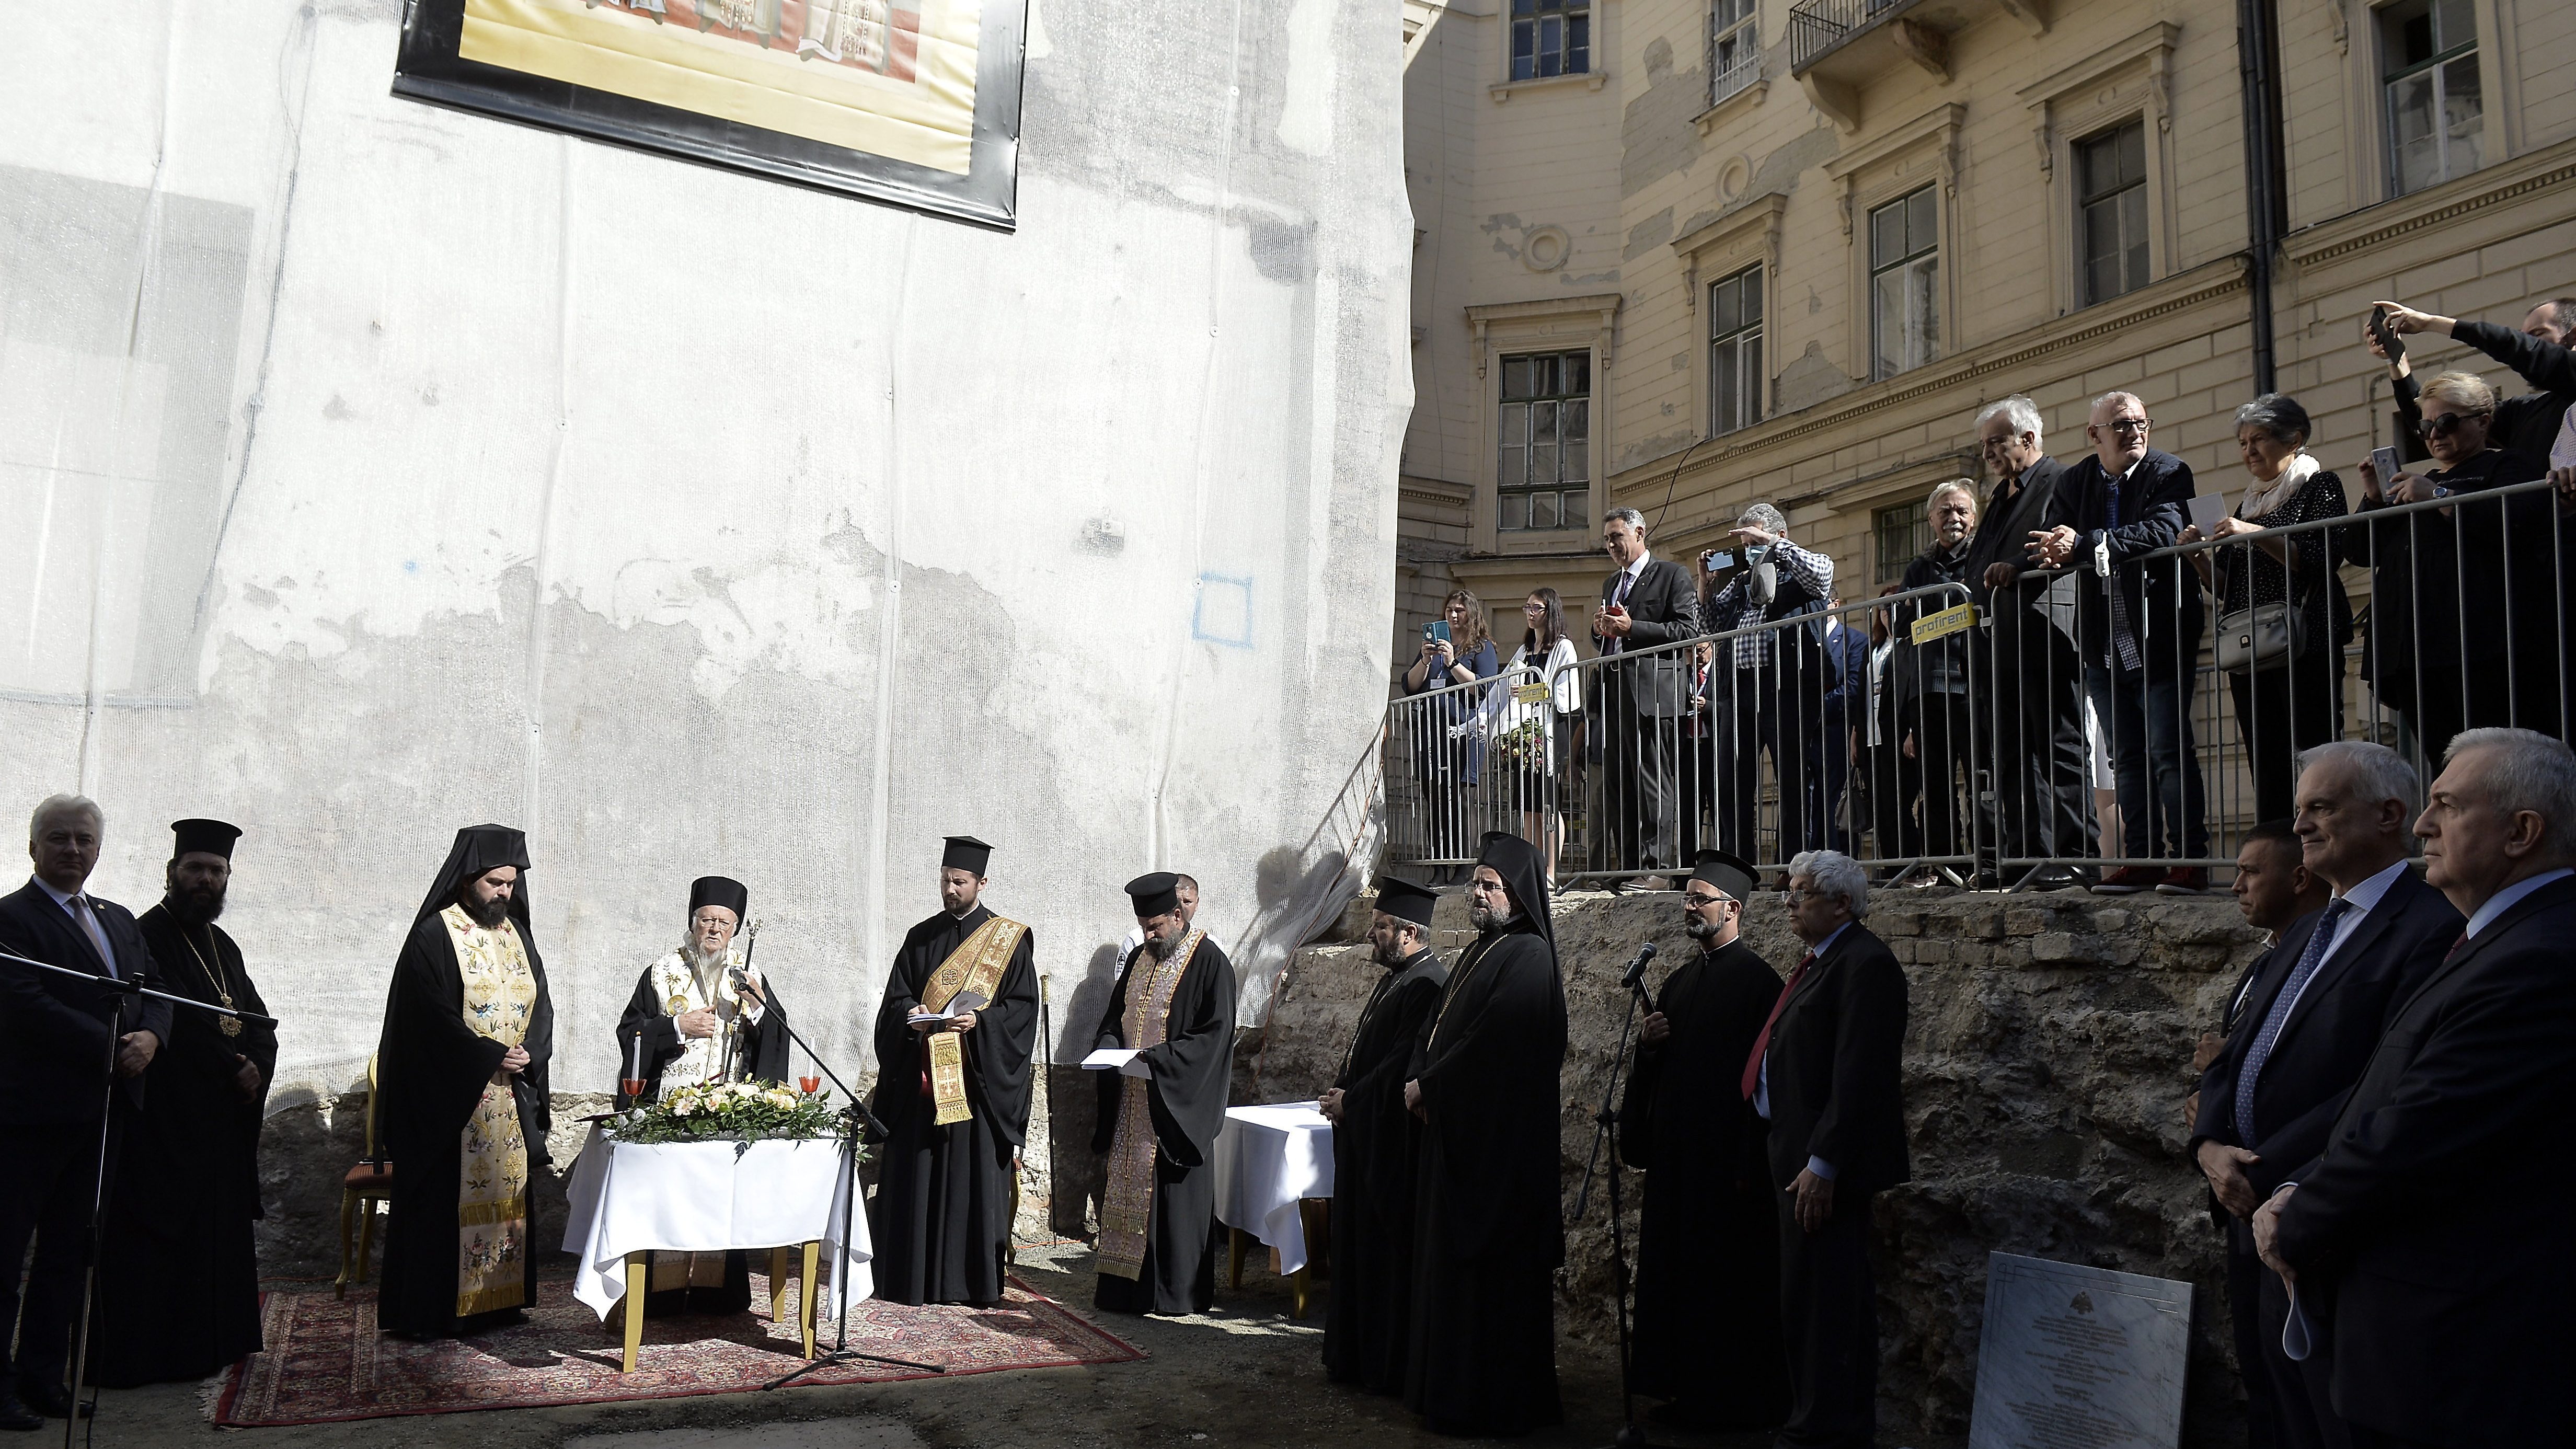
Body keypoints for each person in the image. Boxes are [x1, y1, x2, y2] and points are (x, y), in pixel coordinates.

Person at [2254, 729, 2576, 1449]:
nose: (2425, 826)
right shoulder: (2496, 939)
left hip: (2458, 1359)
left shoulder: (2538, 959)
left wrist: (2293, 1219)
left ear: (2522, 832)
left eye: (2446, 806)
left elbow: (2419, 1132)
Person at [2193, 743, 2458, 1449]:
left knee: (2331, 1420)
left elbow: (2382, 1082)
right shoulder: (2307, 928)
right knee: (2273, 1410)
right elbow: (2235, 1051)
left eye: (2322, 807)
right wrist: (2210, 1146)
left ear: (2388, 816)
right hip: (2247, 1215)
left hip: (2320, 1215)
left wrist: (2262, 1169)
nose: (2303, 825)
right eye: (2302, 807)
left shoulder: (2430, 929)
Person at [0, 797, 171, 1425]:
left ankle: (44, 1378)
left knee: (69, 1256)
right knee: (6, 1257)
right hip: (29, 1117)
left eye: (83, 839)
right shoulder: (9, 919)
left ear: (98, 848)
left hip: (103, 1116)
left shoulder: (118, 918)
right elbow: (23, 1000)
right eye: (58, 839)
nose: (72, 849)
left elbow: (155, 990)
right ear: (32, 847)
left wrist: (152, 1037)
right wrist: (110, 1045)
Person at [93, 819, 277, 1388]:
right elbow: (170, 1020)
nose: (205, 879)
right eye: (194, 868)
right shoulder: (146, 936)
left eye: (215, 871)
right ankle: (150, 1357)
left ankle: (216, 1343)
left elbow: (254, 1019)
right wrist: (232, 1067)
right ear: (172, 873)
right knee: (159, 1238)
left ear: (226, 878)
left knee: (213, 1239)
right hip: (166, 1121)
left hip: (220, 1119)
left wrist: (255, 1064)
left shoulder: (224, 945)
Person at [1618, 849, 1789, 1431]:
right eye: (1685, 898)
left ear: (1733, 908)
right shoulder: (1676, 981)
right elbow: (1661, 1073)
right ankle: (1681, 1392)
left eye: (1699, 899)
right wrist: (1647, 1046)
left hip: (1727, 1172)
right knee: (1675, 1282)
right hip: (1676, 1166)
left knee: (1724, 1287)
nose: (1688, 908)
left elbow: (1764, 1090)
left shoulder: (1758, 983)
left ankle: (1727, 1404)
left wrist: (1746, 1162)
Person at [1404, 831, 1567, 1436]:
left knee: (1488, 1290)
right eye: (1474, 883)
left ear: (1519, 897)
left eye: (1489, 886)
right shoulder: (1479, 951)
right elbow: (1436, 1027)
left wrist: (1432, 1087)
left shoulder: (1527, 956)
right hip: (1458, 1143)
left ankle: (1489, 1403)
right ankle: (1446, 1394)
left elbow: (1495, 1047)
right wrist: (1418, 1072)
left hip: (1498, 1159)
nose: (1477, 893)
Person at [1747, 849, 1906, 1449]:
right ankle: (1810, 1417)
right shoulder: (1821, 960)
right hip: (1792, 1152)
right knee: (1803, 1296)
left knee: (1827, 1304)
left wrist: (1823, 1162)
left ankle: (1825, 1428)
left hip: (1822, 1167)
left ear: (1841, 903)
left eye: (1802, 893)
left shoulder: (1864, 965)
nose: (1788, 902)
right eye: (1788, 891)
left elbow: (1858, 1077)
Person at [373, 824, 556, 1339]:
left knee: (506, 1196)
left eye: (512, 884)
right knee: (443, 1204)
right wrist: (488, 1055)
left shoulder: (517, 935)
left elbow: (541, 1005)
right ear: (467, 879)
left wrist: (527, 1053)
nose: (505, 893)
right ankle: (435, 1311)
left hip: (506, 1096)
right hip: (452, 1102)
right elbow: (427, 1019)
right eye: (496, 883)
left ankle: (496, 1305)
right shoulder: (434, 935)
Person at [2031, 391, 2210, 895]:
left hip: (2159, 633)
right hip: (2101, 641)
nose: (2134, 431)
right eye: (2121, 425)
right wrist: (2057, 549)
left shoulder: (2169, 471)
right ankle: (2145, 861)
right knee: (2127, 757)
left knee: (2170, 752)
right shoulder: (2075, 481)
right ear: (2095, 436)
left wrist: (2086, 544)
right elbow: (2056, 540)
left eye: (2140, 422)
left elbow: (2163, 529)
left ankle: (2190, 861)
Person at [2194, 820, 2328, 1449]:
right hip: (2235, 1202)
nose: (2235, 886)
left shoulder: (2324, 962)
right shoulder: (2258, 969)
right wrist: (2207, 1144)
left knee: (2305, 1393)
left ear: (2299, 878)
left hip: (2289, 1199)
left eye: (2250, 872)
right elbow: (2222, 1071)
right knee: (2259, 1378)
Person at [606, 875, 792, 1315]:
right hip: (669, 1110)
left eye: (724, 924)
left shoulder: (749, 978)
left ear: (737, 930)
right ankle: (660, 1298)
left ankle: (718, 1295)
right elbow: (629, 1033)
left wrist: (761, 1011)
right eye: (706, 920)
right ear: (693, 924)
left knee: (716, 1201)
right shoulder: (660, 972)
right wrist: (676, 1027)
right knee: (670, 1203)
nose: (714, 930)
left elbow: (778, 1039)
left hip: (726, 1112)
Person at [2355, 371, 2561, 761]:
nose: (2434, 433)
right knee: (2447, 764)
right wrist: (2374, 499)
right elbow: (2361, 551)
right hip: (2413, 650)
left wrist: (2437, 495)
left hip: (2482, 645)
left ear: (2483, 421)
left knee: (2498, 760)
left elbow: (2517, 519)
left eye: (2447, 422)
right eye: (2426, 425)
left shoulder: (2509, 466)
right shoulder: (2417, 480)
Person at [871, 836, 1041, 1307]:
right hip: (923, 1081)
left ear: (981, 883)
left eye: (959, 881)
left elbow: (1023, 1010)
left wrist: (980, 1023)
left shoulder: (1008, 941)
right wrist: (914, 1012)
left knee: (970, 1179)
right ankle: (910, 1277)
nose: (949, 888)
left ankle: (968, 1282)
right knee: (918, 1173)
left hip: (974, 1082)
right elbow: (895, 1002)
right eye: (945, 879)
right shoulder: (920, 936)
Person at [2178, 395, 2353, 824]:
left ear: (2293, 439)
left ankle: (2328, 844)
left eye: (2259, 440)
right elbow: (2226, 587)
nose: (2249, 451)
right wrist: (2196, 556)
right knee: (2266, 758)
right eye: (2243, 442)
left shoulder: (2320, 485)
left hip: (2304, 640)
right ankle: (2279, 852)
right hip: (2251, 648)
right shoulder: (2248, 504)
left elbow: (2318, 559)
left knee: (2315, 750)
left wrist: (2252, 533)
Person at [1319, 877, 1447, 1394]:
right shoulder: (1396, 975)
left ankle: (1380, 1361)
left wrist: (1352, 1100)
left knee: (1380, 1256)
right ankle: (1353, 1356)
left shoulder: (1425, 984)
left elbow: (1399, 1066)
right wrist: (1342, 1087)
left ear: (1408, 932)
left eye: (1380, 927)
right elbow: (1366, 1050)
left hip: (1388, 1141)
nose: (1373, 936)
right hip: (1362, 1131)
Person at [1091, 871, 1236, 1315]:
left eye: (1156, 926)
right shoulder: (1138, 958)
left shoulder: (1212, 963)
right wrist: (1113, 1048)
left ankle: (1173, 1294)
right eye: (1144, 926)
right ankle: (1126, 1291)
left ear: (1178, 915)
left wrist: (1160, 1060)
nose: (1149, 935)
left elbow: (1214, 1038)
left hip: (1175, 1106)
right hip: (1133, 1102)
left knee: (1173, 1200)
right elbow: (1115, 1019)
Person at [1965, 396, 2089, 888]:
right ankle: (2023, 856)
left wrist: (2016, 567)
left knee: (2058, 744)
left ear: (2029, 439)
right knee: (2013, 752)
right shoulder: (2000, 495)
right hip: (2000, 639)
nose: (1989, 453)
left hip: (2047, 629)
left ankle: (2074, 852)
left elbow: (2061, 546)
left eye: (1996, 442)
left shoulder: (2060, 481)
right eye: (1984, 446)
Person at [1704, 502, 1838, 867]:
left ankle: (1792, 865)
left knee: (1792, 779)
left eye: (1754, 540)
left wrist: (1774, 546)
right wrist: (1706, 582)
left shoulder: (1796, 569)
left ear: (1779, 536)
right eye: (1745, 542)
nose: (1749, 549)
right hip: (1741, 689)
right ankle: (1738, 866)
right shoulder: (1741, 581)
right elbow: (1713, 624)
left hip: (1787, 688)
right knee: (1733, 782)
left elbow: (1822, 576)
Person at [1593, 508, 1700, 886]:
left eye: (1617, 537)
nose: (1611, 546)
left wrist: (1631, 627)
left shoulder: (1672, 574)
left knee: (1655, 782)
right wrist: (1603, 630)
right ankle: (1627, 867)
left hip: (1653, 694)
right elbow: (1613, 638)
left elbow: (1687, 630)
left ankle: (1656, 868)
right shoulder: (1612, 584)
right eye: (1607, 540)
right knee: (1620, 783)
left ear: (1639, 532)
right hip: (1616, 691)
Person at [1891, 481, 1982, 867]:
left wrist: (1940, 612)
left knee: (1981, 780)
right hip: (1926, 690)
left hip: (1974, 684)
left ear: (1973, 517)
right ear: (1931, 519)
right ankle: (1946, 865)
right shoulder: (1918, 568)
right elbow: (1903, 625)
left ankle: (1987, 858)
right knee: (1935, 784)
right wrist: (1952, 608)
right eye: (1945, 511)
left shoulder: (1982, 556)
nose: (1954, 518)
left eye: (1961, 510)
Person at [1466, 589, 1583, 887]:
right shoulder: (1526, 650)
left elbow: (1566, 696)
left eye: (1536, 607)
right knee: (1527, 806)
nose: (1530, 613)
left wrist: (1530, 692)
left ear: (1550, 611)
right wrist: (1480, 720)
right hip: (1523, 737)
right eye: (1526, 607)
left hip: (1547, 735)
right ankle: (1533, 868)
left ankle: (1551, 872)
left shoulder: (1564, 648)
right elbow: (1503, 688)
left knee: (1547, 805)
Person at [2366, 297, 2575, 462]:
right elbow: (2432, 421)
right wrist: (2396, 360)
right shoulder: (2526, 413)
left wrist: (2431, 322)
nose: (2527, 344)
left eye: (2537, 334)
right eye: (2524, 336)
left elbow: (2520, 349)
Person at [1404, 591, 1503, 881]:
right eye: (1449, 610)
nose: (1453, 615)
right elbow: (1410, 687)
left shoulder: (1480, 648)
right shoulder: (1434, 647)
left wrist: (1451, 663)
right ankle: (1439, 867)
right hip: (1430, 735)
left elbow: (1484, 688)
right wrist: (1424, 660)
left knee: (1456, 800)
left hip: (1461, 735)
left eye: (1460, 610)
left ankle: (1461, 866)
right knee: (1433, 799)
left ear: (1471, 613)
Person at [1857, 588, 1922, 866]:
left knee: (1899, 803)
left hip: (1899, 734)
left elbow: (1913, 691)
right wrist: (1855, 735)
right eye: (1882, 609)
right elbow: (1862, 693)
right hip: (1872, 736)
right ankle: (1889, 865)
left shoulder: (1910, 644)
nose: (1887, 614)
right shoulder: (1874, 649)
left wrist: (1912, 731)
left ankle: (1907, 864)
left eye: (1893, 607)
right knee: (1881, 807)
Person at [1815, 600, 1873, 853]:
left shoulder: (1854, 640)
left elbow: (1851, 689)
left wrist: (1811, 709)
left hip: (1837, 732)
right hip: (1805, 735)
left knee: (1836, 800)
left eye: (1820, 602)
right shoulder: (1802, 641)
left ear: (1835, 605)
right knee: (1809, 802)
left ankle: (1839, 862)